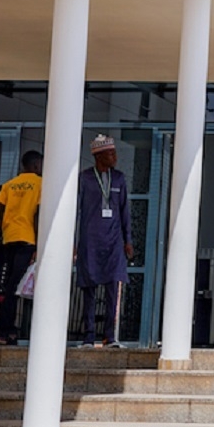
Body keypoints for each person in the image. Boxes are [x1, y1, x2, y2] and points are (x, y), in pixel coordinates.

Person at [76, 135, 132, 347]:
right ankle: (88, 335)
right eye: (110, 153)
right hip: (90, 240)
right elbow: (76, 211)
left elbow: (125, 210)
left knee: (113, 288)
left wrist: (128, 240)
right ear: (98, 156)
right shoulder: (85, 178)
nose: (115, 157)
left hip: (114, 241)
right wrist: (73, 241)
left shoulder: (119, 178)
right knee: (88, 288)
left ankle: (110, 336)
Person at [0, 151, 42, 344]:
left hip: (9, 239)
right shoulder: (40, 183)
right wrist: (39, 243)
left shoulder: (9, 185)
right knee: (14, 286)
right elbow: (37, 215)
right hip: (27, 239)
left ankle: (9, 330)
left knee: (11, 283)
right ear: (35, 165)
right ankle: (5, 330)